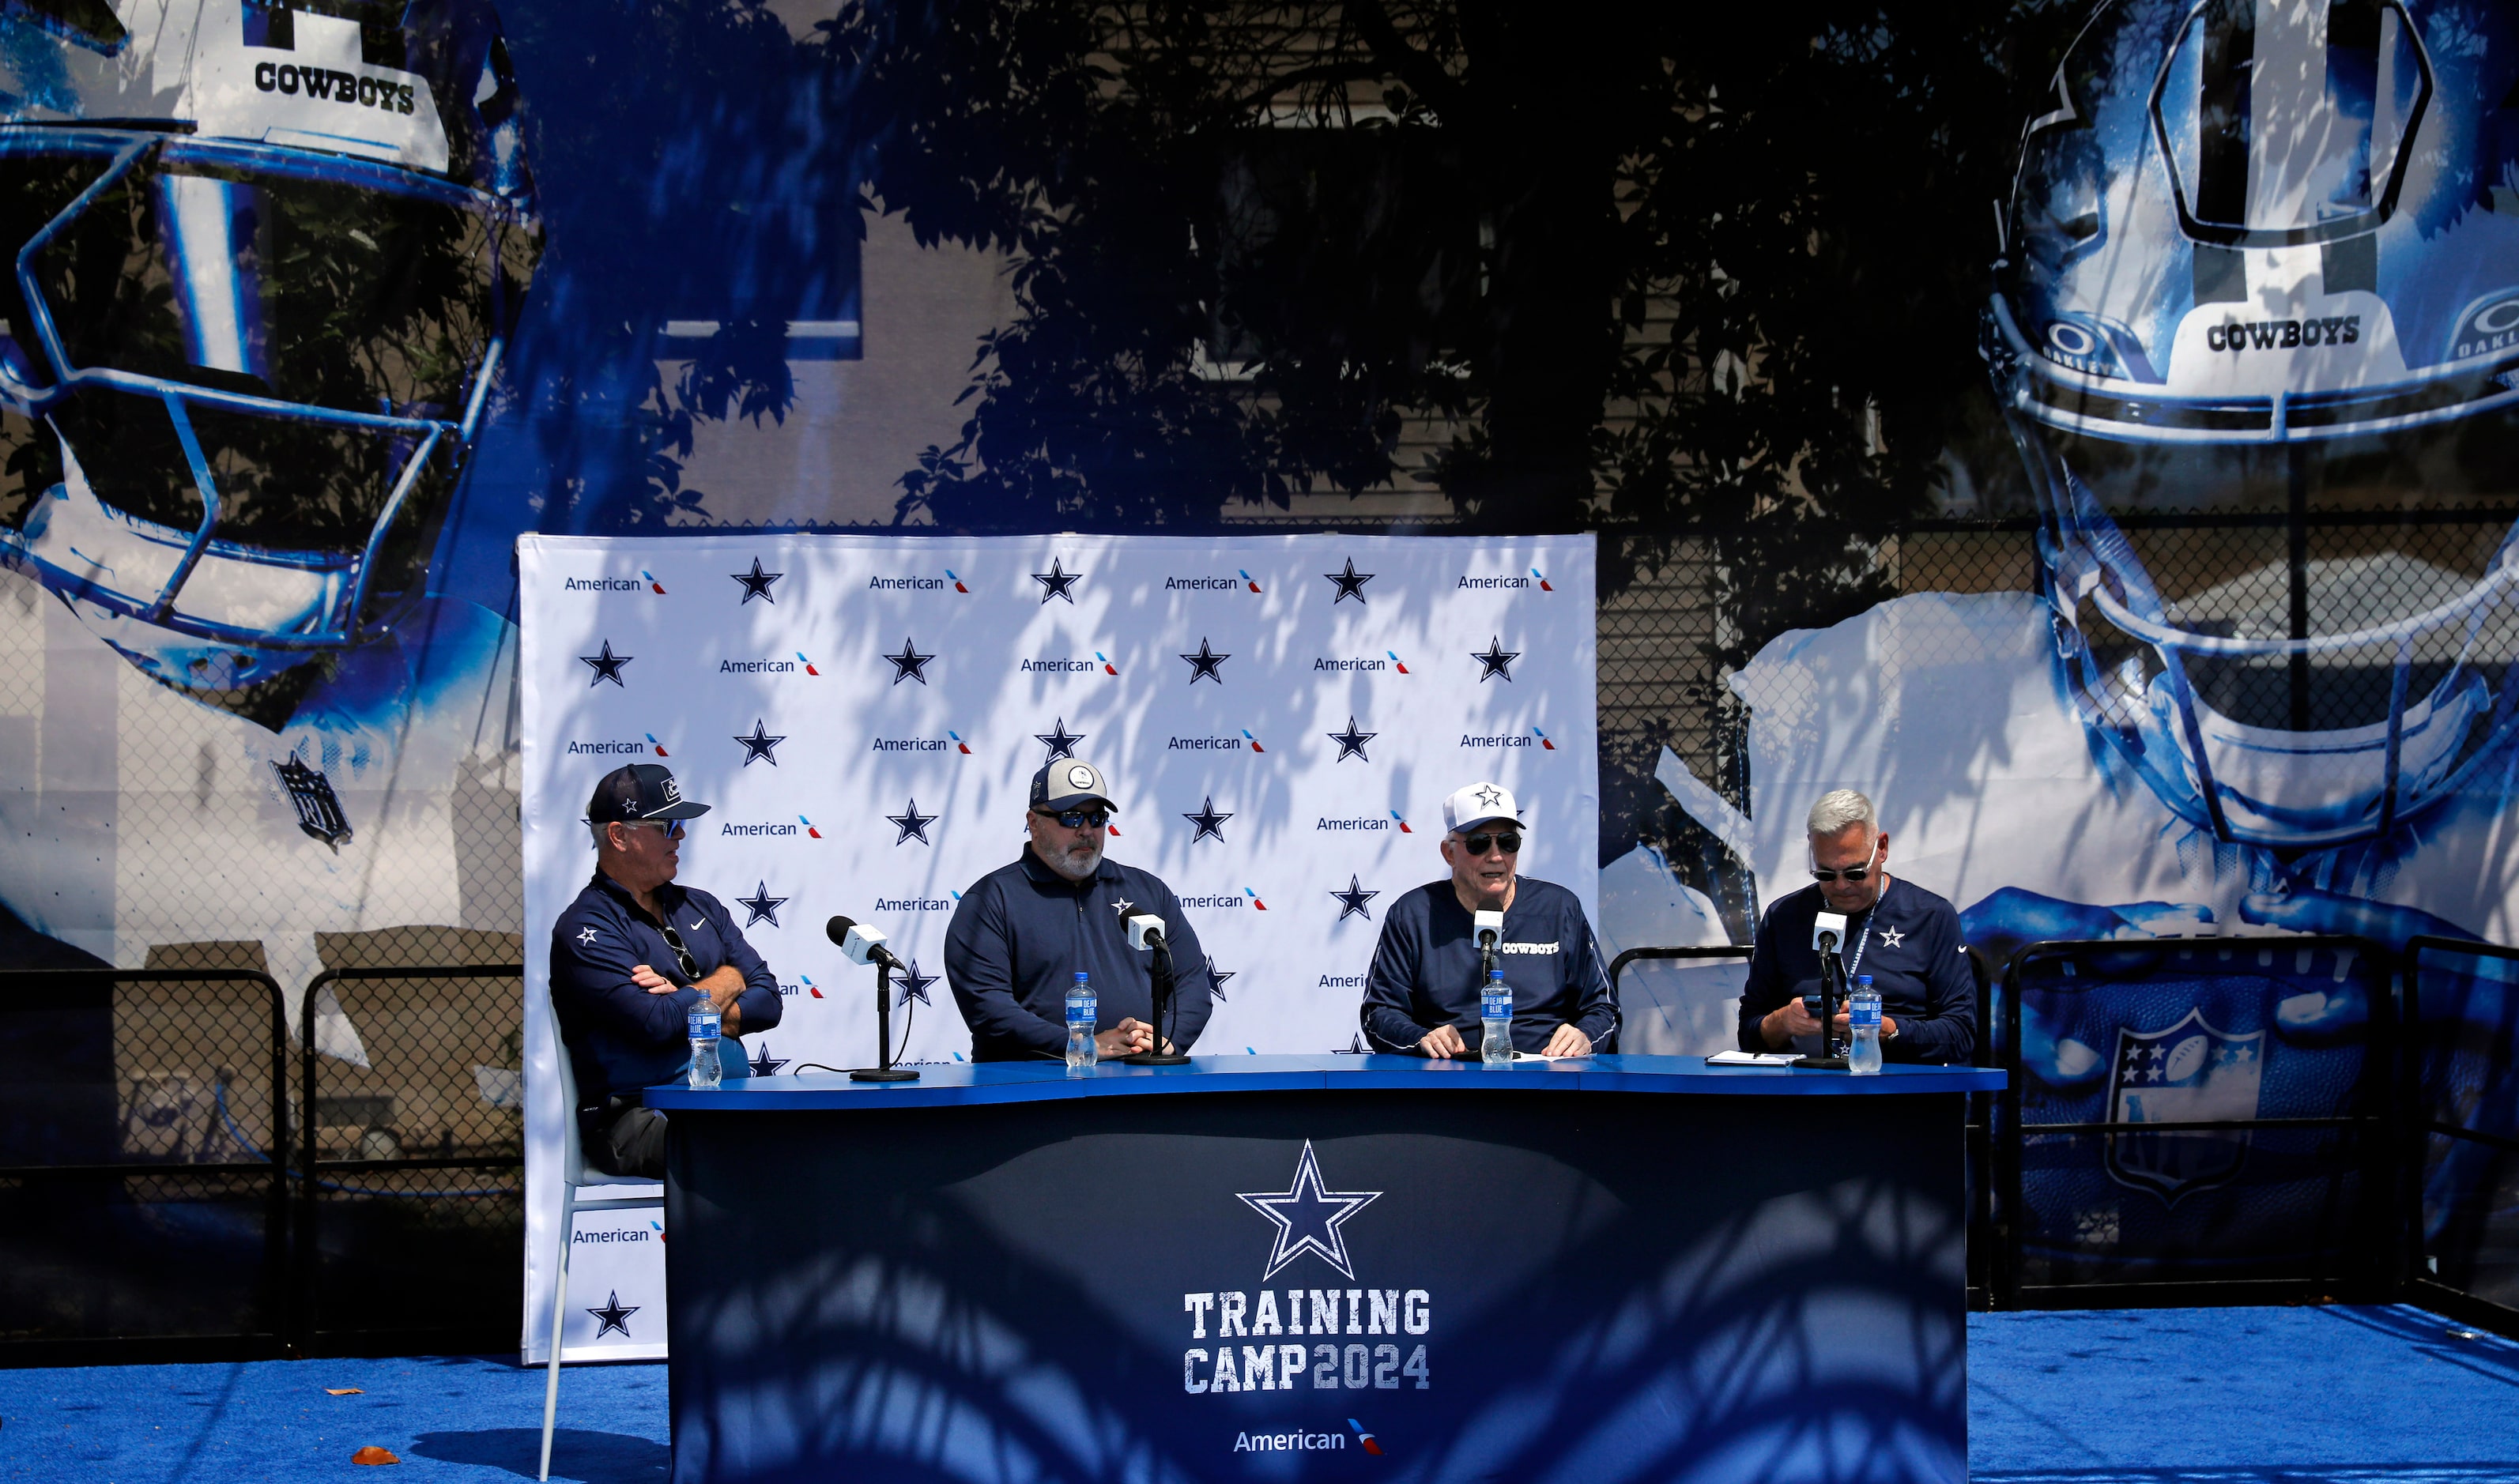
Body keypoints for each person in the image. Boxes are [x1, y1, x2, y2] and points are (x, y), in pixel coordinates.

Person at [550, 763, 782, 1177]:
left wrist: (682, 995)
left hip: (720, 1104)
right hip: (632, 1115)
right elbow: (655, 1023)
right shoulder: (586, 927)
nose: (681, 835)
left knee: (809, 1136)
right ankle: (716, 1245)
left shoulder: (701, 906)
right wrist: (728, 981)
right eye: (667, 824)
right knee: (739, 1152)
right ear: (619, 836)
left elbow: (767, 1002)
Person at [944, 759, 1214, 1061]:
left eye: (1097, 818)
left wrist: (1165, 1039)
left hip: (1138, 1083)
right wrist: (1081, 1044)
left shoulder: (1148, 890)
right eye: (1071, 818)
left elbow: (1191, 981)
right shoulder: (992, 899)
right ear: (1034, 822)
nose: (1086, 830)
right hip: (1027, 1088)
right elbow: (987, 1006)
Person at [1360, 782, 1616, 1058]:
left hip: (1546, 1077)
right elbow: (1379, 1014)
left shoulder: (1559, 908)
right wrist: (1422, 1039)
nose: (1495, 856)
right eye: (1479, 844)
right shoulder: (1413, 914)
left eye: (1508, 842)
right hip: (1448, 1081)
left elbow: (1603, 1007)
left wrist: (1585, 1035)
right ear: (1449, 853)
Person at [1735, 789, 1972, 1064]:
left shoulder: (1931, 916)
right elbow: (1749, 1034)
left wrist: (1891, 1033)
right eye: (1825, 874)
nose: (1841, 885)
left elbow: (1962, 1035)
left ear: (1881, 848)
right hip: (1808, 1091)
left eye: (1855, 873)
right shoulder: (1784, 917)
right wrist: (1782, 1022)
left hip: (1900, 1089)